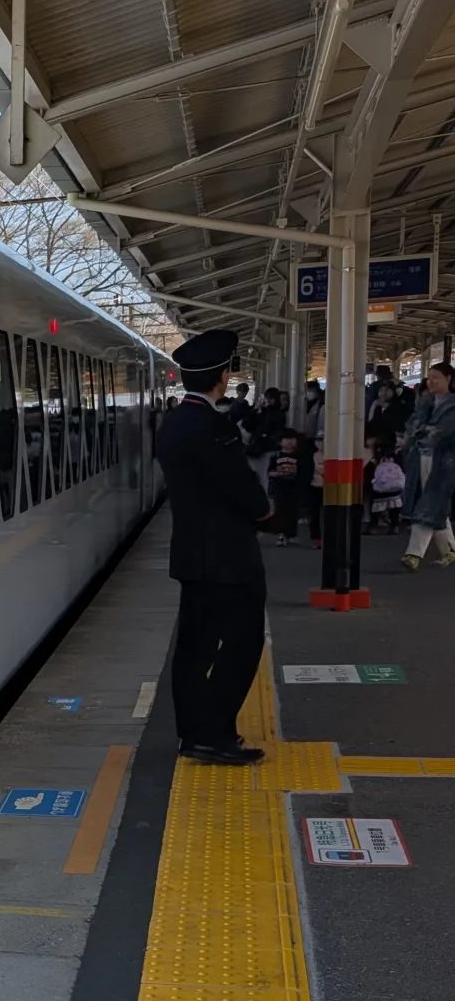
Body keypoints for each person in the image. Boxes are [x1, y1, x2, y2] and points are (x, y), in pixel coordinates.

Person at [155, 328, 272, 765]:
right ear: (223, 376)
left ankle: (193, 732)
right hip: (229, 555)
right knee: (242, 642)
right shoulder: (212, 425)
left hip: (190, 552)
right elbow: (240, 485)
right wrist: (263, 516)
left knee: (194, 646)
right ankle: (215, 732)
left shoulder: (173, 424)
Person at [400, 359, 455, 568]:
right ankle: (449, 549)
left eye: (436, 378)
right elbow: (412, 425)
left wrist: (419, 432)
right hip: (422, 457)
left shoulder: (452, 405)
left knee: (429, 502)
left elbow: (440, 433)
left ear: (448, 378)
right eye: (429, 378)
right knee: (434, 504)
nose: (431, 382)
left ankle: (414, 554)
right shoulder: (425, 402)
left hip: (445, 461)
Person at [267, 430, 306, 543]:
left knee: (293, 511)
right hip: (280, 487)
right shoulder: (276, 456)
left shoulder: (299, 457)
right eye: (286, 439)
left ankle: (291, 533)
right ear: (280, 442)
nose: (289, 442)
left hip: (293, 487)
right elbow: (270, 470)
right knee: (280, 510)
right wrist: (273, 474)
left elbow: (302, 471)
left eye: (292, 439)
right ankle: (280, 533)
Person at [366, 442, 405, 533]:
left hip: (380, 491)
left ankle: (372, 528)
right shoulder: (397, 459)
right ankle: (395, 527)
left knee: (376, 510)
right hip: (395, 490)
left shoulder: (376, 460)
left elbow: (371, 474)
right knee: (394, 510)